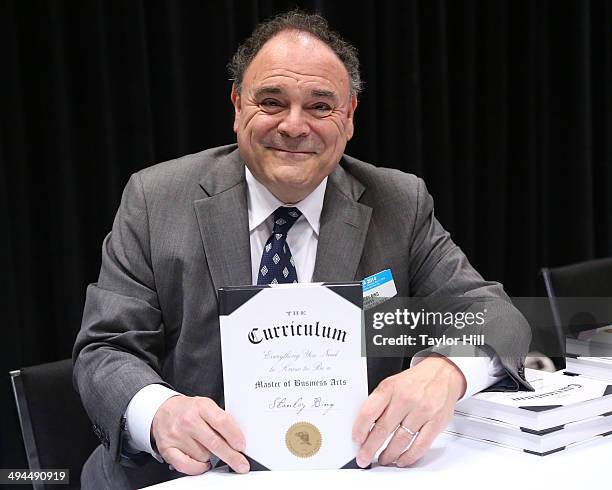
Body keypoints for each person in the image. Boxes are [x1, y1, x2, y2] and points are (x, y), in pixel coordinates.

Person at [73, 10, 532, 489]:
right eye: (271, 101)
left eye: (319, 106)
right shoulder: (156, 199)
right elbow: (106, 348)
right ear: (236, 106)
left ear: (349, 116)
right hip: (181, 477)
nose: (294, 126)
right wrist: (160, 413)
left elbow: (496, 317)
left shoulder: (398, 202)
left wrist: (447, 370)